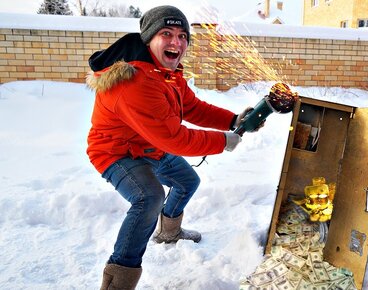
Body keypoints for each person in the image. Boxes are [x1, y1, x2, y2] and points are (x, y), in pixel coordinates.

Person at [86, 5, 261, 290]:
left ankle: (169, 233)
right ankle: (118, 282)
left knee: (187, 181)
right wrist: (223, 141)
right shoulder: (135, 82)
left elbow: (191, 106)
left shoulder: (166, 73)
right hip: (116, 152)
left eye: (182, 36)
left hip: (150, 146)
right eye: (166, 33)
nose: (176, 42)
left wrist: (232, 120)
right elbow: (174, 138)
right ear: (148, 39)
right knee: (149, 198)